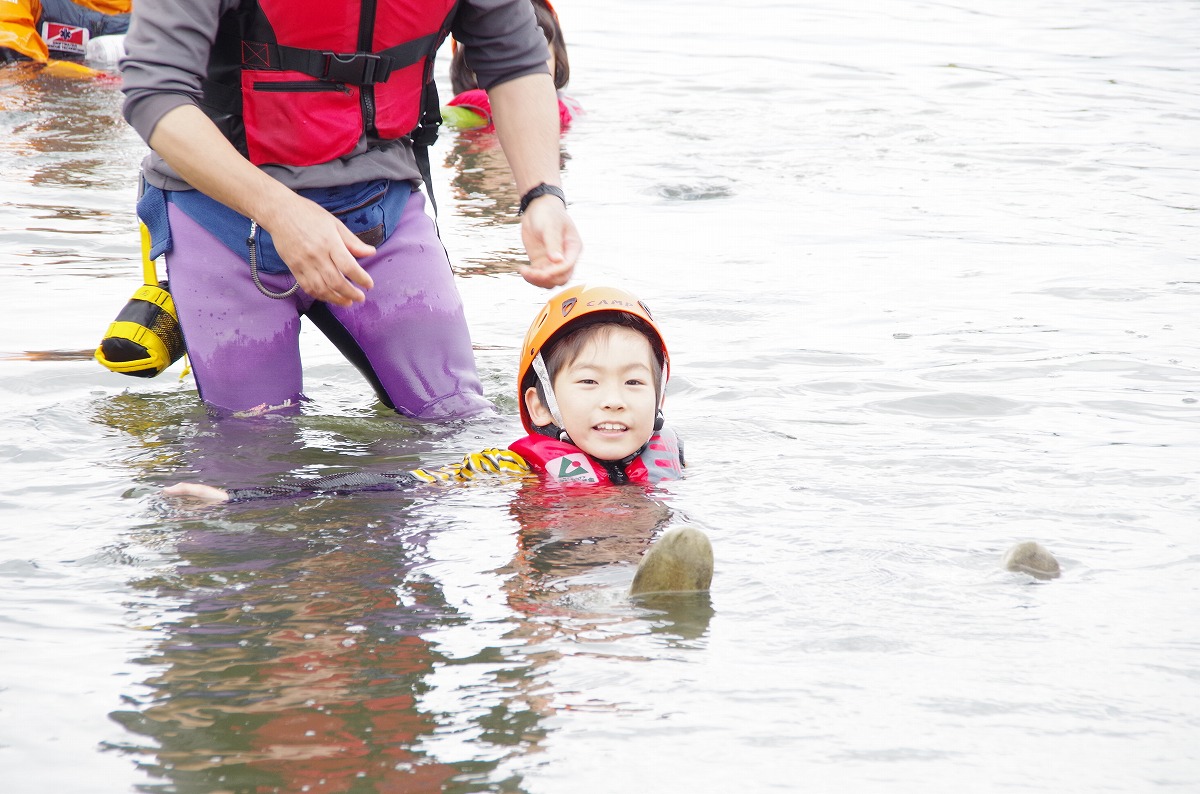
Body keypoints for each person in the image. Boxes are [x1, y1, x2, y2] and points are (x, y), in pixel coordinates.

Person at [119, 0, 581, 418]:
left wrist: (541, 193)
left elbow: (515, 59)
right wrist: (282, 213)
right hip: (222, 220)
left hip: (379, 209)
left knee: (458, 422)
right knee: (252, 459)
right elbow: (154, 91)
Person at [165, 284, 714, 595]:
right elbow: (394, 485)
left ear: (659, 396)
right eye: (589, 382)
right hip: (555, 576)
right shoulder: (515, 467)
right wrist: (244, 499)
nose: (614, 400)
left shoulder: (671, 459)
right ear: (541, 403)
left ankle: (647, 589)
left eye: (634, 383)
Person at [442, 0, 581, 133]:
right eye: (502, 55)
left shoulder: (566, 109)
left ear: (558, 58)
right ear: (467, 66)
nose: (523, 66)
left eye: (537, 53)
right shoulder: (469, 113)